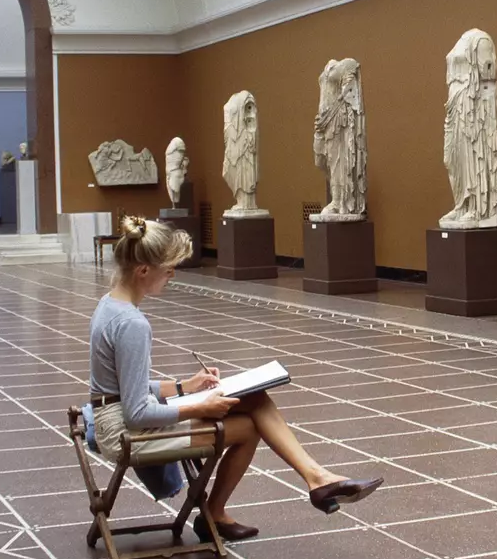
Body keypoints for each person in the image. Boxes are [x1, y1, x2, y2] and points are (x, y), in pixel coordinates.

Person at [89, 216, 382, 542]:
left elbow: (122, 388)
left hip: (112, 420)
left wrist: (188, 386)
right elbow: (136, 412)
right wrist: (203, 406)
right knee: (247, 428)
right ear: (144, 270)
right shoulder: (133, 324)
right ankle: (222, 509)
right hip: (125, 433)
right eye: (169, 268)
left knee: (255, 399)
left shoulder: (109, 305)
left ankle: (317, 479)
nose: (172, 276)